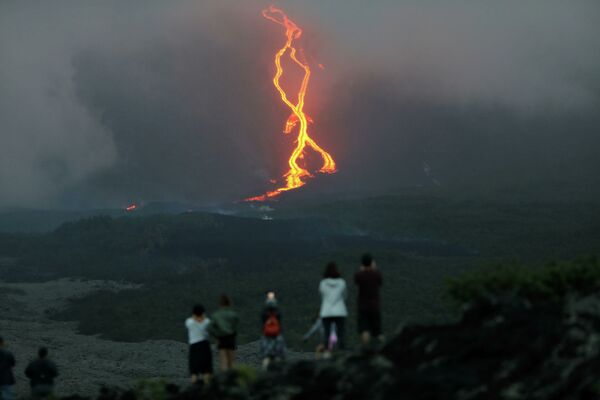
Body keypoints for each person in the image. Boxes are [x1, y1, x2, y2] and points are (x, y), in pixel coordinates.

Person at [354, 253, 383, 345]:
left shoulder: (359, 275)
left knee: (365, 329)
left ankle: (366, 350)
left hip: (363, 306)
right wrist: (374, 269)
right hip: (374, 305)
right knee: (377, 331)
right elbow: (380, 282)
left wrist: (362, 270)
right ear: (371, 263)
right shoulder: (376, 275)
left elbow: (357, 282)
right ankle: (382, 348)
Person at [319, 262, 348, 353]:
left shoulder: (323, 283)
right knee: (341, 334)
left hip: (326, 311)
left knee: (326, 335)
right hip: (340, 311)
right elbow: (344, 295)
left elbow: (322, 295)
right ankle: (341, 353)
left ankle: (327, 353)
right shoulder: (342, 282)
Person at [208, 295, 239, 371]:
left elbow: (209, 327)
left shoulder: (216, 315)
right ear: (229, 303)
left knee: (223, 360)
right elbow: (235, 327)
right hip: (231, 338)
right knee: (232, 361)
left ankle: (224, 379)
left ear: (220, 304)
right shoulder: (233, 315)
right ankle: (233, 379)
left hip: (221, 338)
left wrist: (216, 335)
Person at [185, 304, 213, 385]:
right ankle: (207, 388)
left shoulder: (189, 322)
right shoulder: (207, 321)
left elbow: (192, 319)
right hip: (205, 345)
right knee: (207, 368)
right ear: (203, 313)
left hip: (194, 346)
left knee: (194, 369)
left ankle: (194, 388)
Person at [260, 291, 286, 369]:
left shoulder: (264, 314)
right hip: (277, 335)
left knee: (266, 357)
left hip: (266, 335)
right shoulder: (278, 314)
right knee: (278, 357)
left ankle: (265, 373)